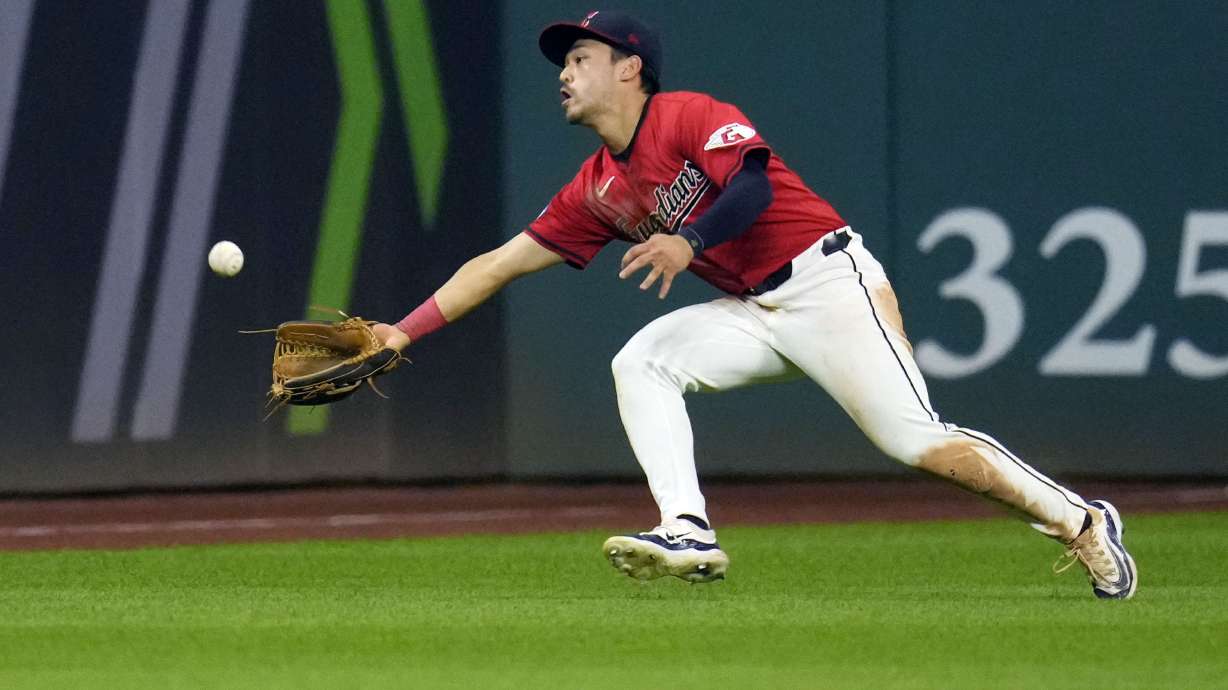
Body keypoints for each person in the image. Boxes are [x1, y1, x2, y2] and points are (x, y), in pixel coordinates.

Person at [372, 10, 1137, 598]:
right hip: (754, 310)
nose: (564, 74)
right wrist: (400, 333)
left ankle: (1081, 519)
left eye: (580, 58)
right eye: (563, 63)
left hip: (827, 283)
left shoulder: (690, 115)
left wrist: (688, 241)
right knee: (642, 361)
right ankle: (688, 529)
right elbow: (501, 263)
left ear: (630, 67)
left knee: (914, 443)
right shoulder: (597, 188)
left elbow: (752, 186)